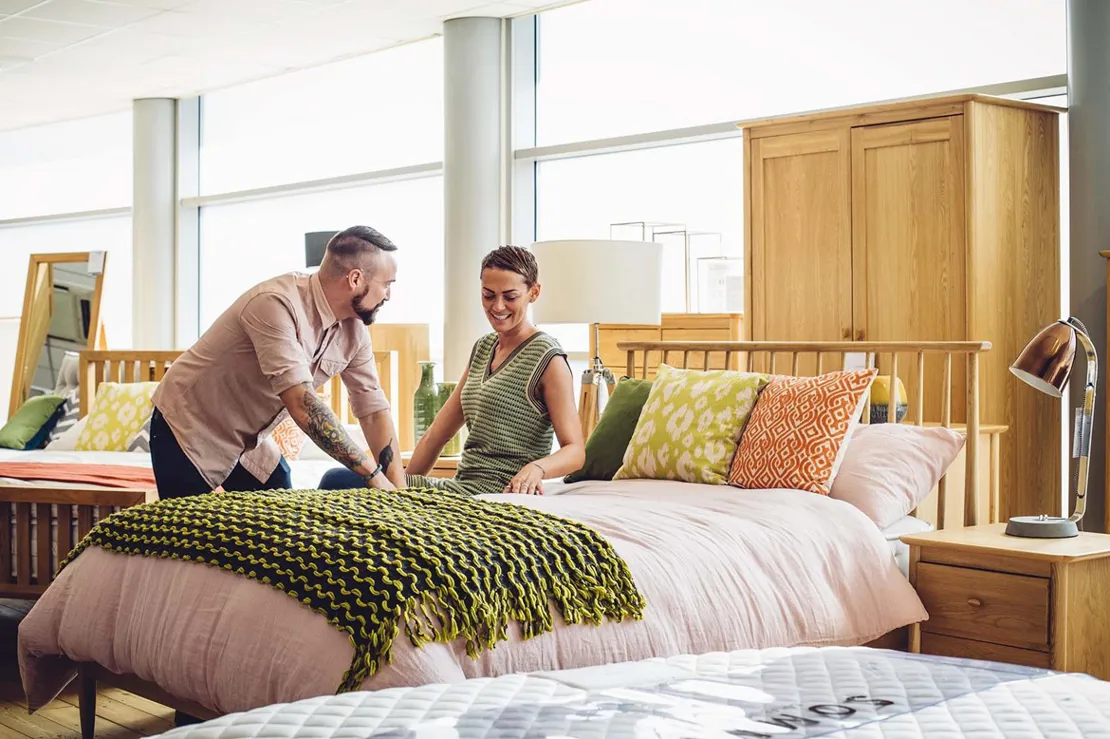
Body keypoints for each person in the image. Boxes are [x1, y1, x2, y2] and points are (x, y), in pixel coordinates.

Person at [149, 225, 406, 501]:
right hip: (188, 425)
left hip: (248, 439)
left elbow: (373, 411)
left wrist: (400, 496)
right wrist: (373, 476)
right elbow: (303, 405)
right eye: (387, 284)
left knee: (281, 513)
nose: (388, 295)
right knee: (189, 535)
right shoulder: (274, 304)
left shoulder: (355, 332)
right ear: (355, 279)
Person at [318, 245, 584, 496]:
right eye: (488, 295)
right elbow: (437, 435)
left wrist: (537, 468)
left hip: (498, 494)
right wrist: (401, 493)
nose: (498, 306)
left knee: (337, 482)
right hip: (462, 487)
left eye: (510, 297)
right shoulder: (484, 347)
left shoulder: (548, 358)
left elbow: (575, 451)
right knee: (340, 479)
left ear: (533, 293)